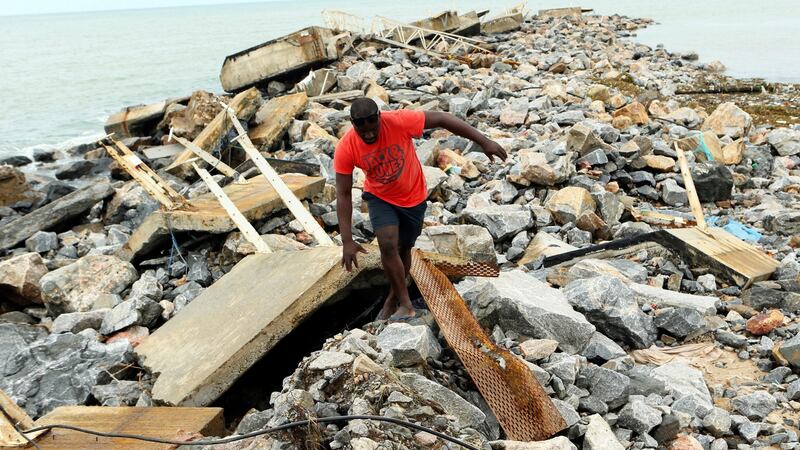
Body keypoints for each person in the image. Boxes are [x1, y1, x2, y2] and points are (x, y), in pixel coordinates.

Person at [334, 97, 506, 321]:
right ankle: (406, 305)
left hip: (413, 196)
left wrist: (483, 141)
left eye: (372, 128)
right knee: (387, 244)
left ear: (379, 118)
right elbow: (343, 193)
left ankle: (392, 298)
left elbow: (443, 119)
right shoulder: (346, 147)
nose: (368, 134)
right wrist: (347, 240)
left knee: (404, 249)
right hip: (380, 197)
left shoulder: (398, 121)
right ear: (353, 124)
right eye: (361, 130)